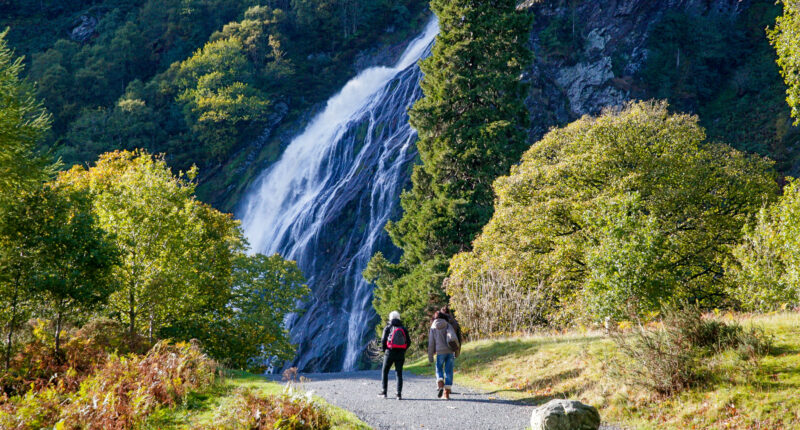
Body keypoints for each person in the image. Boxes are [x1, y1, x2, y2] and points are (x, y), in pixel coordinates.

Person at [428, 310, 458, 400]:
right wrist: (456, 351)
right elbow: (454, 338)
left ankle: (440, 382)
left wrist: (430, 356)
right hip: (450, 351)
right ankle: (446, 394)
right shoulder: (448, 325)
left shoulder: (433, 326)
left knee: (439, 368)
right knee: (449, 371)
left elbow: (431, 343)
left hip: (440, 352)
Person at [379, 310, 409, 400]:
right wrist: (403, 349)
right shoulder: (403, 328)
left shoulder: (388, 327)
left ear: (390, 318)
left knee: (385, 371)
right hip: (400, 353)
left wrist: (385, 350)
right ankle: (398, 394)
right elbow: (409, 341)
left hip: (389, 352)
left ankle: (384, 392)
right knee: (399, 373)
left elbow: (383, 340)